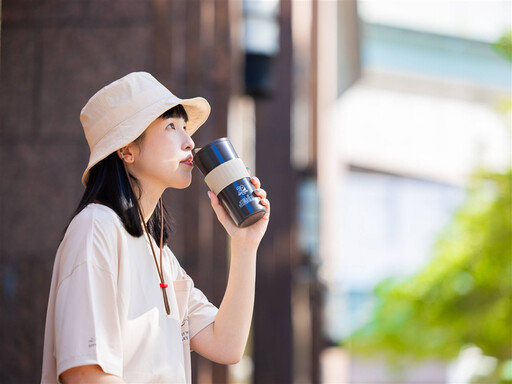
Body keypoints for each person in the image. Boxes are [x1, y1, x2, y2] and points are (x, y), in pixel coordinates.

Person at [41, 72, 270, 383]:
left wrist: (245, 244)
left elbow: (227, 344)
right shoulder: (96, 228)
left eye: (185, 128)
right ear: (126, 150)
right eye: (170, 126)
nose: (190, 142)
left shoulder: (159, 251)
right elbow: (85, 373)